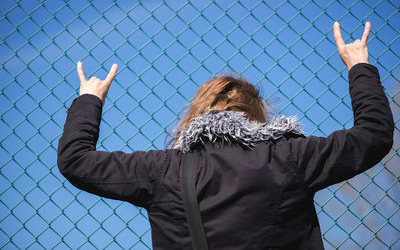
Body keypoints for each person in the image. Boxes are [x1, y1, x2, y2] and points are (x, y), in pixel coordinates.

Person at [57, 22, 394, 249]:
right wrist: (358, 66)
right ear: (258, 115)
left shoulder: (162, 170)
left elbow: (76, 161)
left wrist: (90, 99)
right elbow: (374, 134)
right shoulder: (290, 155)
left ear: (196, 113)